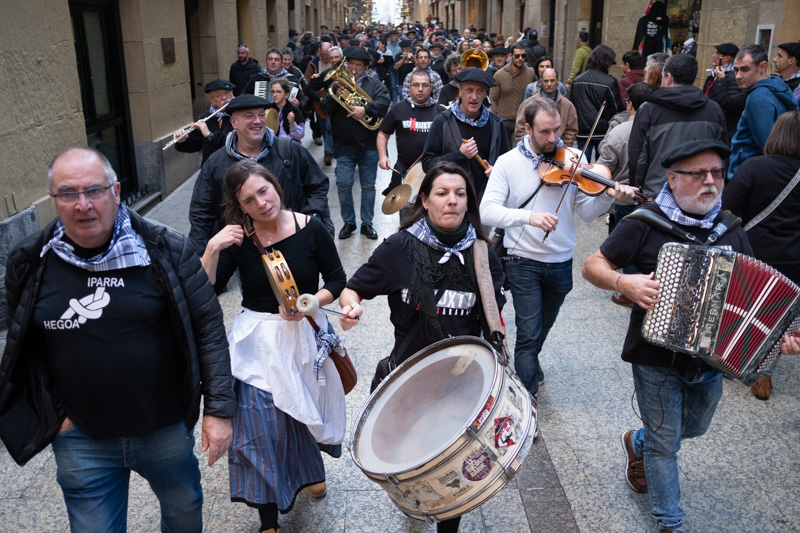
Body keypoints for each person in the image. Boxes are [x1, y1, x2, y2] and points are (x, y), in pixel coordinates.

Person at [0, 147, 235, 531]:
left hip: (163, 427)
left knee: (183, 510)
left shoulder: (167, 249)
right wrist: (55, 415)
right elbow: (25, 345)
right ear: (53, 199)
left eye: (94, 190)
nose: (83, 204)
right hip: (81, 437)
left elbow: (208, 328)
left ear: (116, 191)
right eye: (68, 193)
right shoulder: (29, 261)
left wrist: (219, 411)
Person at [581, 139, 752, 533]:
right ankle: (669, 522)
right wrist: (624, 281)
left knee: (694, 427)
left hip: (709, 361)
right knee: (665, 444)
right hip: (654, 357)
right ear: (672, 179)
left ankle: (636, 442)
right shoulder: (644, 223)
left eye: (717, 173)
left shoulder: (730, 230)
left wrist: (775, 336)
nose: (710, 181)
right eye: (698, 173)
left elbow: (751, 296)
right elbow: (593, 265)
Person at [338, 161, 506, 533]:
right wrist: (351, 308)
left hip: (460, 383)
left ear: (469, 201)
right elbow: (352, 289)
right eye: (442, 193)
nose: (452, 201)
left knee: (452, 468)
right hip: (408, 377)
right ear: (425, 200)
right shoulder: (398, 248)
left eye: (460, 194)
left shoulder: (483, 254)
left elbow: (494, 317)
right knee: (410, 459)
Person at [199, 160, 346, 533]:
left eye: (263, 191)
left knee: (302, 415)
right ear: (240, 207)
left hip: (305, 333)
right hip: (258, 342)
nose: (261, 203)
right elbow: (205, 288)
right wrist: (213, 248)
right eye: (249, 200)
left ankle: (310, 470)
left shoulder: (311, 228)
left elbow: (336, 279)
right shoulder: (239, 239)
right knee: (261, 428)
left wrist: (310, 303)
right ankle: (268, 519)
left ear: (275, 185)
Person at [481, 97, 636, 399]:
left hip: (561, 261)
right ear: (527, 129)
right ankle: (527, 403)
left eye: (557, 130)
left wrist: (608, 197)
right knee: (528, 335)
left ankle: (530, 362)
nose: (553, 138)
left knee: (541, 329)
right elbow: (487, 211)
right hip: (522, 260)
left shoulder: (574, 158)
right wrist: (529, 217)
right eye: (544, 132)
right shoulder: (508, 163)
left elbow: (586, 213)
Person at [189, 94, 332, 254]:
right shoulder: (216, 163)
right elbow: (201, 211)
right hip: (241, 254)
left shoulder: (290, 150)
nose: (257, 121)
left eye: (261, 115)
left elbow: (317, 186)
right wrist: (200, 254)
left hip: (291, 244)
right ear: (234, 122)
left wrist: (311, 220)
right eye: (249, 116)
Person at [722, 111, 800, 400]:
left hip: (752, 254)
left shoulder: (753, 166)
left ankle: (733, 359)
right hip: (794, 259)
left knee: (741, 309)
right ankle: (764, 374)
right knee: (780, 317)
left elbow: (728, 209)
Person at [629, 54, 726, 200]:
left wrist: (638, 190)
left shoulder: (649, 110)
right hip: (699, 192)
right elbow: (721, 156)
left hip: (657, 194)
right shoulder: (714, 109)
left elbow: (637, 156)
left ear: (669, 77)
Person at [321, 47, 391, 240]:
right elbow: (325, 109)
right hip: (344, 144)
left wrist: (365, 110)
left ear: (365, 67)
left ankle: (367, 223)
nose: (353, 68)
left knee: (368, 186)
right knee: (343, 184)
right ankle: (349, 222)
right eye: (350, 64)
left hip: (369, 144)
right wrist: (335, 95)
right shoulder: (336, 85)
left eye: (358, 65)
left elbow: (385, 103)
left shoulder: (374, 84)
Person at [596, 82, 653, 305]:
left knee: (627, 243)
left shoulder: (618, 132)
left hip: (625, 196)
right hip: (653, 196)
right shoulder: (659, 128)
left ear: (630, 105)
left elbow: (603, 168)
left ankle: (629, 290)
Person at [422, 67, 510, 202]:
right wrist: (459, 155)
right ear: (460, 91)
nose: (474, 97)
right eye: (469, 90)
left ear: (485, 94)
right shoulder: (442, 121)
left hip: (486, 202)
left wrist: (497, 171)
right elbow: (427, 164)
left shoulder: (496, 124)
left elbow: (507, 165)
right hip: (451, 201)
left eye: (479, 91)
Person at [378, 69, 446, 218]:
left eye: (424, 85)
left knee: (434, 216)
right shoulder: (398, 109)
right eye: (416, 85)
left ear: (431, 86)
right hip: (406, 172)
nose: (420, 89)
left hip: (435, 173)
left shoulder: (441, 112)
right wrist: (383, 156)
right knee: (407, 217)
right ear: (409, 86)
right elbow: (383, 134)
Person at [727, 45, 796, 179]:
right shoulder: (777, 87)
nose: (738, 76)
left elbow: (766, 147)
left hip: (750, 175)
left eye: (745, 69)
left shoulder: (758, 98)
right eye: (736, 70)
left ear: (762, 67)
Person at [569, 45, 625, 162]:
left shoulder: (578, 80)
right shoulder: (610, 82)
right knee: (601, 166)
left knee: (582, 164)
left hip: (582, 130)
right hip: (602, 131)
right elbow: (616, 108)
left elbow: (572, 106)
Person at [173, 79, 235, 165]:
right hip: (211, 167)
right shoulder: (205, 118)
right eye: (218, 95)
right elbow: (194, 145)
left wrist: (210, 135)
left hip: (234, 167)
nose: (224, 97)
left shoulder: (239, 116)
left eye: (227, 93)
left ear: (232, 93)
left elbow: (234, 142)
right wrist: (182, 141)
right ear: (212, 100)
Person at [514, 67, 578, 146]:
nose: (549, 84)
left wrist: (563, 147)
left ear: (557, 80)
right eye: (546, 81)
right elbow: (520, 130)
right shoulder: (527, 104)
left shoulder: (568, 105)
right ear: (541, 81)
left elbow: (571, 131)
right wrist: (531, 147)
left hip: (559, 149)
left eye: (552, 80)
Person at [490, 43, 536, 145]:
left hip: (523, 120)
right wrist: (496, 118)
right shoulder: (500, 75)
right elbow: (493, 98)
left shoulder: (530, 72)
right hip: (504, 120)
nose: (520, 58)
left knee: (520, 150)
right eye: (517, 56)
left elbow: (536, 92)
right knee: (505, 150)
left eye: (523, 56)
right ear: (510, 56)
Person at [704, 43, 744, 142]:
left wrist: (720, 80)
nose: (714, 56)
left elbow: (727, 102)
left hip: (721, 129)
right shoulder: (714, 74)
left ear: (726, 58)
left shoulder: (732, 77)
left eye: (717, 53)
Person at [268, 78, 305, 142]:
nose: (275, 95)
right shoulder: (269, 109)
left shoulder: (293, 110)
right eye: (273, 92)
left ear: (286, 94)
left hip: (289, 144)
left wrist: (292, 124)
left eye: (278, 92)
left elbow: (300, 135)